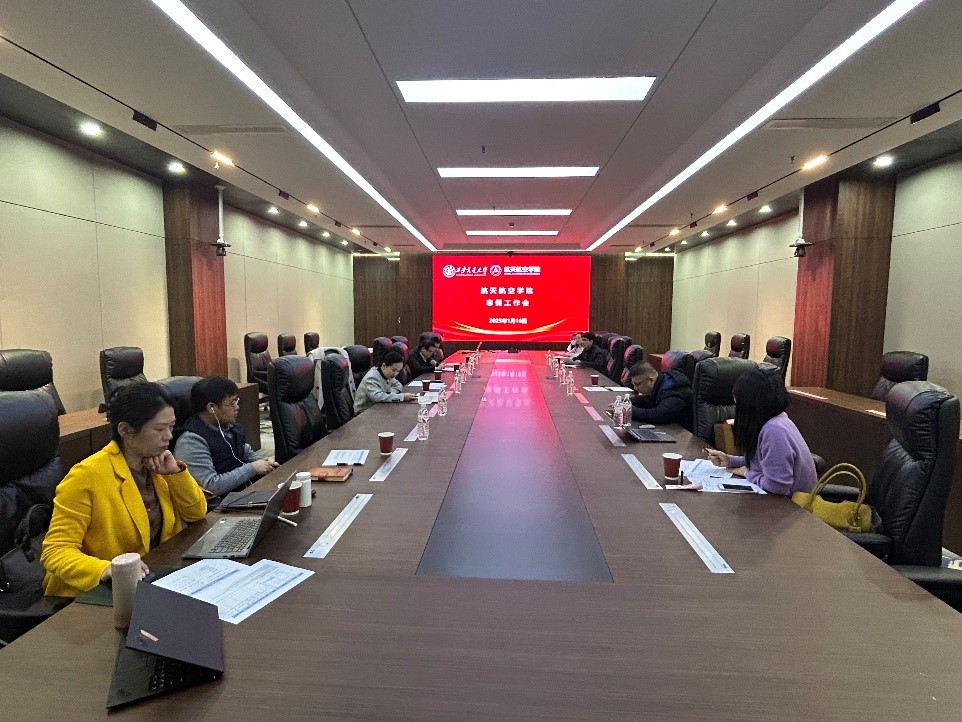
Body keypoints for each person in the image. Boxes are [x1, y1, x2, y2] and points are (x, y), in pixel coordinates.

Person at [41, 382, 207, 597]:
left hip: (148, 579)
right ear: (125, 430)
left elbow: (196, 513)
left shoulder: (157, 465)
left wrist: (175, 474)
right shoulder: (86, 476)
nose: (169, 436)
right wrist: (105, 569)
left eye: (171, 426)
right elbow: (55, 551)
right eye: (160, 429)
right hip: (92, 592)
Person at [705, 366, 817, 496]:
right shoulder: (775, 420)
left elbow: (777, 487)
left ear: (750, 405)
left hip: (794, 505)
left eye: (738, 403)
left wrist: (747, 473)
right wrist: (730, 461)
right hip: (783, 500)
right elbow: (763, 462)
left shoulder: (774, 431)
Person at [173, 376, 278, 497]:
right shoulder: (191, 441)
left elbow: (245, 452)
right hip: (219, 503)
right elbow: (210, 486)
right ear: (211, 407)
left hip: (241, 492)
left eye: (237, 402)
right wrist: (252, 468)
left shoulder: (229, 427)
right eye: (232, 403)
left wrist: (265, 464)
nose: (237, 407)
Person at [619, 361, 692, 426]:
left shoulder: (674, 390)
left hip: (683, 433)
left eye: (637, 384)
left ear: (651, 380)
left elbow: (659, 415)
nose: (635, 388)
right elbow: (648, 400)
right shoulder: (661, 381)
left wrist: (629, 410)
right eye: (633, 384)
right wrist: (624, 401)